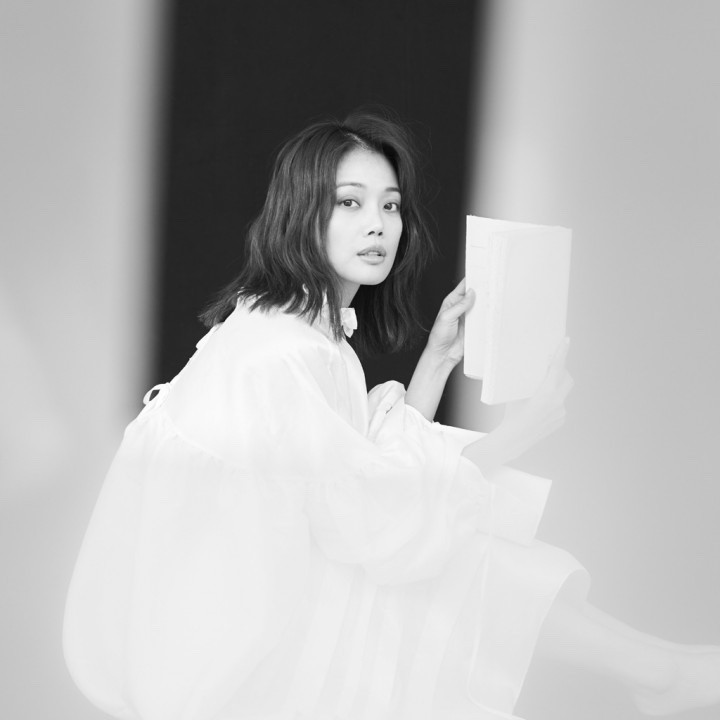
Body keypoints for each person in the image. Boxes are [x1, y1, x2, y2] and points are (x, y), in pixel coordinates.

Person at [63, 110, 720, 720]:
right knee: (455, 559)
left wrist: (435, 362)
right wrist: (513, 438)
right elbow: (376, 521)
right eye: (349, 203)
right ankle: (658, 674)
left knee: (454, 548)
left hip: (258, 618)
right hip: (237, 665)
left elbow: (364, 477)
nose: (377, 225)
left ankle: (657, 671)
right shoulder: (280, 355)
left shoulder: (296, 330)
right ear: (301, 214)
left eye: (390, 205)